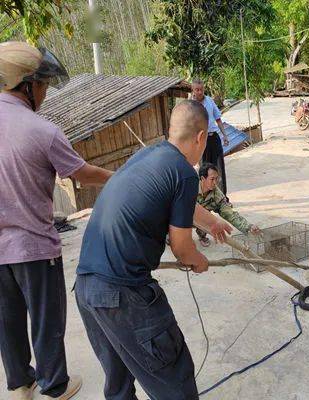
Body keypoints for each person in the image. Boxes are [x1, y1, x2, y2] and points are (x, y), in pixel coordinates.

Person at [74, 100, 232, 400]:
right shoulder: (185, 172)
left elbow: (173, 198)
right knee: (175, 380)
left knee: (119, 384)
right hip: (124, 294)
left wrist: (210, 220)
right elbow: (182, 248)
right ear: (201, 138)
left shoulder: (148, 155)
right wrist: (199, 260)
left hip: (87, 289)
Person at [0, 41, 113, 400]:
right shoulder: (41, 131)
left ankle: (21, 384)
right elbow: (82, 173)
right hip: (33, 246)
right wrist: (120, 176)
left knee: (8, 320)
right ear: (26, 84)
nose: (46, 93)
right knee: (47, 321)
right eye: (44, 85)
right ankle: (55, 386)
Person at [195, 163, 260, 247]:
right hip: (183, 214)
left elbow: (230, 214)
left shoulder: (216, 194)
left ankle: (201, 235)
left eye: (216, 179)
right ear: (203, 178)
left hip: (201, 216)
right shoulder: (190, 188)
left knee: (208, 218)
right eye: (212, 179)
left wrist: (248, 227)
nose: (215, 182)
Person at [190, 78, 230, 196]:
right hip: (201, 141)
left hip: (214, 138)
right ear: (192, 90)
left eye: (201, 89)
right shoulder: (190, 105)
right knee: (204, 171)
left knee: (219, 169)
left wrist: (225, 135)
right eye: (197, 90)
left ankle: (223, 198)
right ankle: (206, 198)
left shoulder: (209, 101)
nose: (199, 92)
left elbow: (218, 119)